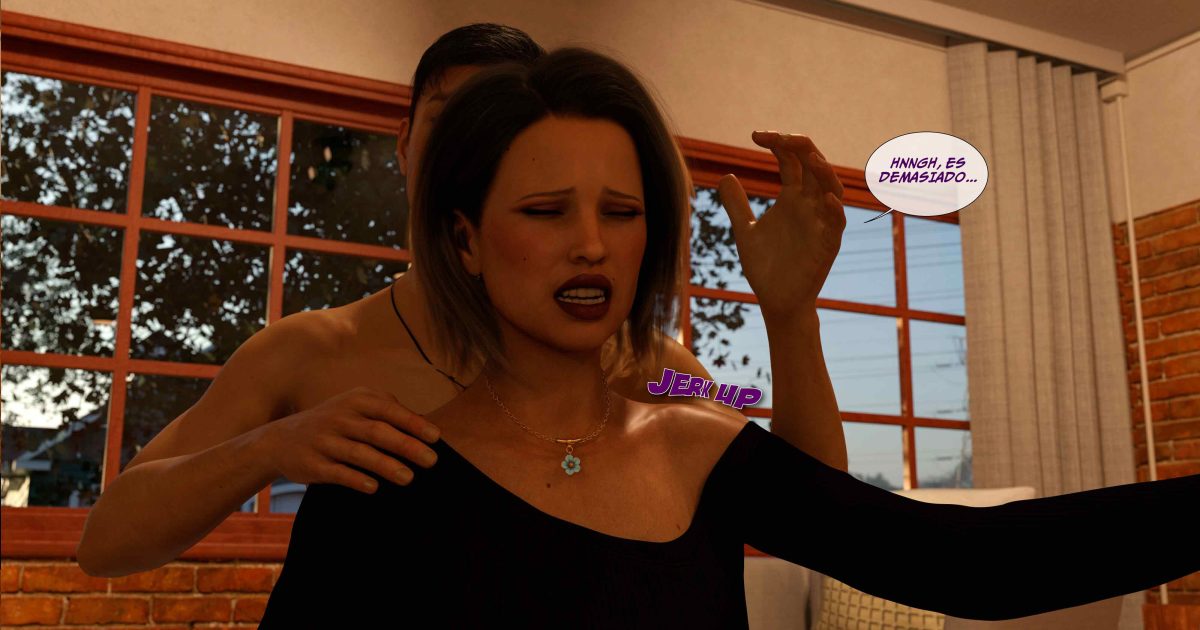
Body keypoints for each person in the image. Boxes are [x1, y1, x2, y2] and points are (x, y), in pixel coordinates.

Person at [258, 47, 1199, 628]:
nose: (591, 245)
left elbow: (967, 562)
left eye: (622, 212)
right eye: (545, 210)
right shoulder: (381, 481)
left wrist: (789, 313)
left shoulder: (697, 440)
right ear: (464, 239)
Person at [75, 23, 847, 578]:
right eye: (452, 123)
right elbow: (108, 541)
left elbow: (815, 516)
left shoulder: (648, 368)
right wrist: (267, 449)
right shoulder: (309, 352)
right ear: (406, 146)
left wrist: (790, 313)